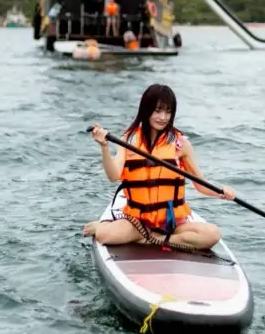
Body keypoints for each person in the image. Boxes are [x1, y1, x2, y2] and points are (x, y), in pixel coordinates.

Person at [83, 84, 235, 250]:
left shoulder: (180, 144)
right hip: (137, 222)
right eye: (157, 111)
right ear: (146, 110)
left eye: (168, 111)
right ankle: (103, 226)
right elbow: (113, 176)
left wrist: (222, 192)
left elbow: (200, 185)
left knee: (212, 234)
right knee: (105, 235)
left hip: (171, 223)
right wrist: (104, 148)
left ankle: (152, 238)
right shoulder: (129, 140)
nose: (163, 117)